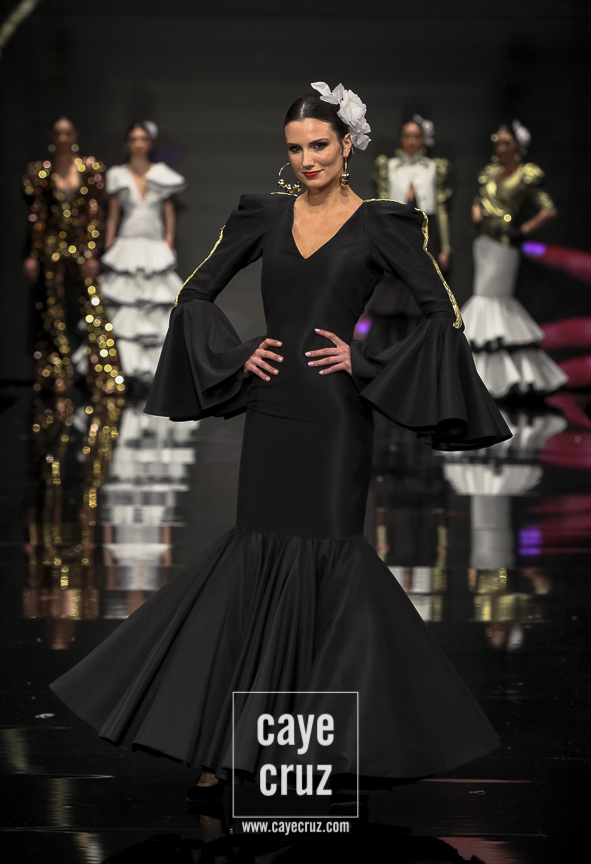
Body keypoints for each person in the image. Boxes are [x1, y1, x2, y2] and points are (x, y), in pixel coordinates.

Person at [50, 82, 511, 804]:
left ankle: (326, 743)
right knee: (256, 564)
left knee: (331, 565)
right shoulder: (265, 216)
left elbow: (441, 314)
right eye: (294, 148)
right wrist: (238, 356)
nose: (306, 160)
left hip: (334, 415)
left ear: (347, 145)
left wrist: (366, 363)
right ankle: (224, 742)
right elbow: (193, 293)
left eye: (318, 145)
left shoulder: (380, 224)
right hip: (274, 409)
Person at [461, 121, 567, 399]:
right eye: (498, 142)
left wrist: (523, 230)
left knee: (493, 301)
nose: (500, 148)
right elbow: (478, 199)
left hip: (504, 245)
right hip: (483, 243)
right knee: (484, 298)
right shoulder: (490, 172)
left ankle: (501, 378)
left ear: (518, 146)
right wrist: (476, 212)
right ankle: (485, 377)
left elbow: (548, 210)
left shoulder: (526, 175)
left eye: (506, 143)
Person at [23, 117, 124, 397]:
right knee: (50, 307)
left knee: (93, 305)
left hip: (81, 244)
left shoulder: (89, 169)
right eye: (58, 133)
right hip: (51, 244)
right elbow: (38, 215)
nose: (63, 138)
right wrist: (33, 253)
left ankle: (103, 373)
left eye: (67, 133)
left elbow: (94, 213)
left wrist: (92, 251)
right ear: (52, 136)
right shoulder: (42, 172)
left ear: (75, 134)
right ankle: (54, 372)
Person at [100, 121, 186, 389]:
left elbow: (168, 213)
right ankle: (126, 371)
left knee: (155, 305)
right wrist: (109, 247)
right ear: (128, 144)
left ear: (150, 143)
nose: (138, 143)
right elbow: (113, 215)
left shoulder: (162, 174)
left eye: (143, 139)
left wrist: (168, 243)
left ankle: (154, 373)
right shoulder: (117, 175)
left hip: (154, 247)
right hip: (127, 245)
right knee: (127, 306)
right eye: (134, 139)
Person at [366, 114, 453, 352]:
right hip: (396, 234)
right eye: (407, 136)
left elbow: (441, 209)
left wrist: (446, 247)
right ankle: (388, 350)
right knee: (394, 290)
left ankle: (421, 350)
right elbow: (381, 207)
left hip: (425, 236)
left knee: (422, 291)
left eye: (416, 136)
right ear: (401, 138)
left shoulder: (433, 167)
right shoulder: (390, 166)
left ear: (423, 138)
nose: (411, 141)